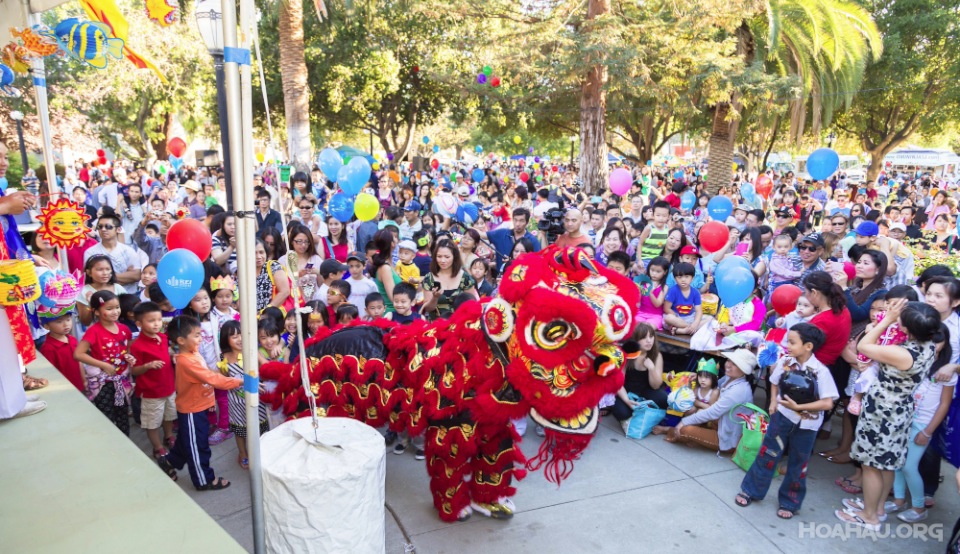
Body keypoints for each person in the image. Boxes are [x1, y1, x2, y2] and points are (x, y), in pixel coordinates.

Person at [838, 300, 942, 530]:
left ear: (907, 328)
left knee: (871, 465)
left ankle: (870, 517)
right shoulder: (929, 346)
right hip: (898, 410)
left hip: (883, 413)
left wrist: (886, 320)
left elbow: (864, 347)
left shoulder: (904, 353)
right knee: (885, 464)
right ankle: (877, 509)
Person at [736, 323, 837, 520]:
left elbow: (827, 403)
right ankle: (751, 490)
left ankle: (790, 502)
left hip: (807, 425)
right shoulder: (786, 361)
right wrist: (773, 401)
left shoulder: (820, 371)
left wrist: (799, 408)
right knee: (768, 454)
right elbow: (774, 382)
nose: (787, 345)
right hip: (782, 417)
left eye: (792, 342)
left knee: (799, 463)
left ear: (808, 346)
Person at [157, 316, 242, 491]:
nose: (201, 338)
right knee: (198, 446)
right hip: (191, 411)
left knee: (187, 441)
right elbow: (211, 378)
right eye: (196, 335)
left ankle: (169, 461)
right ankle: (204, 480)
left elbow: (208, 373)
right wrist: (239, 381)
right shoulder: (186, 361)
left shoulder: (192, 353)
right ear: (181, 340)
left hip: (199, 407)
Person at [666, 349, 757, 451]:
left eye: (734, 364)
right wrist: (700, 376)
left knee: (684, 430)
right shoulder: (730, 378)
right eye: (729, 361)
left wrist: (683, 422)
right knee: (694, 414)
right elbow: (713, 384)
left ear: (743, 370)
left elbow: (713, 412)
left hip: (728, 437)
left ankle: (668, 429)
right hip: (719, 422)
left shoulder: (739, 390)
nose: (728, 365)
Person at [73, 291, 135, 435]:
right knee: (107, 417)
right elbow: (78, 354)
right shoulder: (93, 331)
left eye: (117, 307)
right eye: (109, 308)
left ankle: (124, 445)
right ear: (96, 312)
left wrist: (129, 358)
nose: (115, 311)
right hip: (103, 383)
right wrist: (104, 365)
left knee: (122, 415)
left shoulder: (125, 329)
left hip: (121, 380)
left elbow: (128, 351)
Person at [129, 302, 177, 458]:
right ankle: (157, 447)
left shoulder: (163, 337)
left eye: (158, 319)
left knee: (169, 415)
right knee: (153, 422)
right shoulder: (137, 346)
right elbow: (134, 370)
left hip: (169, 387)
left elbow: (166, 354)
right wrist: (148, 366)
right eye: (151, 321)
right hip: (151, 392)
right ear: (139, 323)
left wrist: (172, 356)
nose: (157, 324)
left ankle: (168, 436)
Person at [611, 323, 667, 433]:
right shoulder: (626, 354)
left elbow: (655, 385)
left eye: (651, 336)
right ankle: (636, 413)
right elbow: (618, 383)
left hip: (646, 390)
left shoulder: (656, 355)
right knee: (622, 412)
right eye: (644, 337)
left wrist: (651, 368)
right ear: (635, 339)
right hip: (627, 390)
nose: (649, 341)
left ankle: (642, 413)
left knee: (664, 399)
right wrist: (626, 400)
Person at [84, 211, 142, 294]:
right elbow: (90, 277)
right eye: (100, 226)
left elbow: (136, 276)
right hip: (102, 298)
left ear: (118, 229)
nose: (103, 229)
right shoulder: (90, 252)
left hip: (127, 297)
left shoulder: (129, 251)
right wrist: (125, 276)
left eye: (108, 226)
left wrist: (102, 276)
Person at [421, 239, 478, 321]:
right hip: (436, 326)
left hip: (459, 325)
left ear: (454, 257)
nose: (442, 261)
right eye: (439, 256)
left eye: (447, 257)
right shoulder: (429, 279)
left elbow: (472, 304)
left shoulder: (465, 278)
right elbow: (428, 309)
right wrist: (435, 297)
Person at [38, 310, 83, 392]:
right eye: (59, 321)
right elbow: (49, 374)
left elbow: (79, 362)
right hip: (63, 389)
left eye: (68, 320)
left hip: (79, 385)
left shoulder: (72, 340)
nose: (66, 324)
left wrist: (84, 380)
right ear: (46, 326)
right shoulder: (48, 348)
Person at [663, 262, 702, 335]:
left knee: (709, 319)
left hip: (690, 317)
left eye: (687, 277)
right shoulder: (673, 291)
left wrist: (695, 323)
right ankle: (688, 329)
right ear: (675, 279)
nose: (683, 280)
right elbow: (666, 308)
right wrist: (678, 318)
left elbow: (698, 311)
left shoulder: (695, 292)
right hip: (677, 317)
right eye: (679, 277)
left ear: (692, 278)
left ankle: (680, 330)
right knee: (668, 318)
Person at [254, 239, 291, 313]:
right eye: (254, 253)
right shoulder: (244, 271)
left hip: (271, 316)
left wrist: (264, 313)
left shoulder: (273, 266)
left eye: (261, 252)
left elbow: (285, 291)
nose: (258, 256)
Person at [289, 224, 322, 300]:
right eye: (299, 241)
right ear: (292, 241)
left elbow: (322, 286)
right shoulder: (284, 260)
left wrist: (318, 273)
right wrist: (298, 275)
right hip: (293, 303)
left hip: (313, 303)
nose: (303, 245)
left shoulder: (316, 259)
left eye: (306, 242)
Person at [635, 256, 669, 330]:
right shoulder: (644, 282)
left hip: (655, 316)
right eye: (652, 270)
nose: (654, 274)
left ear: (665, 272)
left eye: (658, 271)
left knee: (647, 328)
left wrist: (650, 292)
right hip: (640, 314)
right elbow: (638, 302)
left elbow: (657, 304)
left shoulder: (664, 287)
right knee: (635, 326)